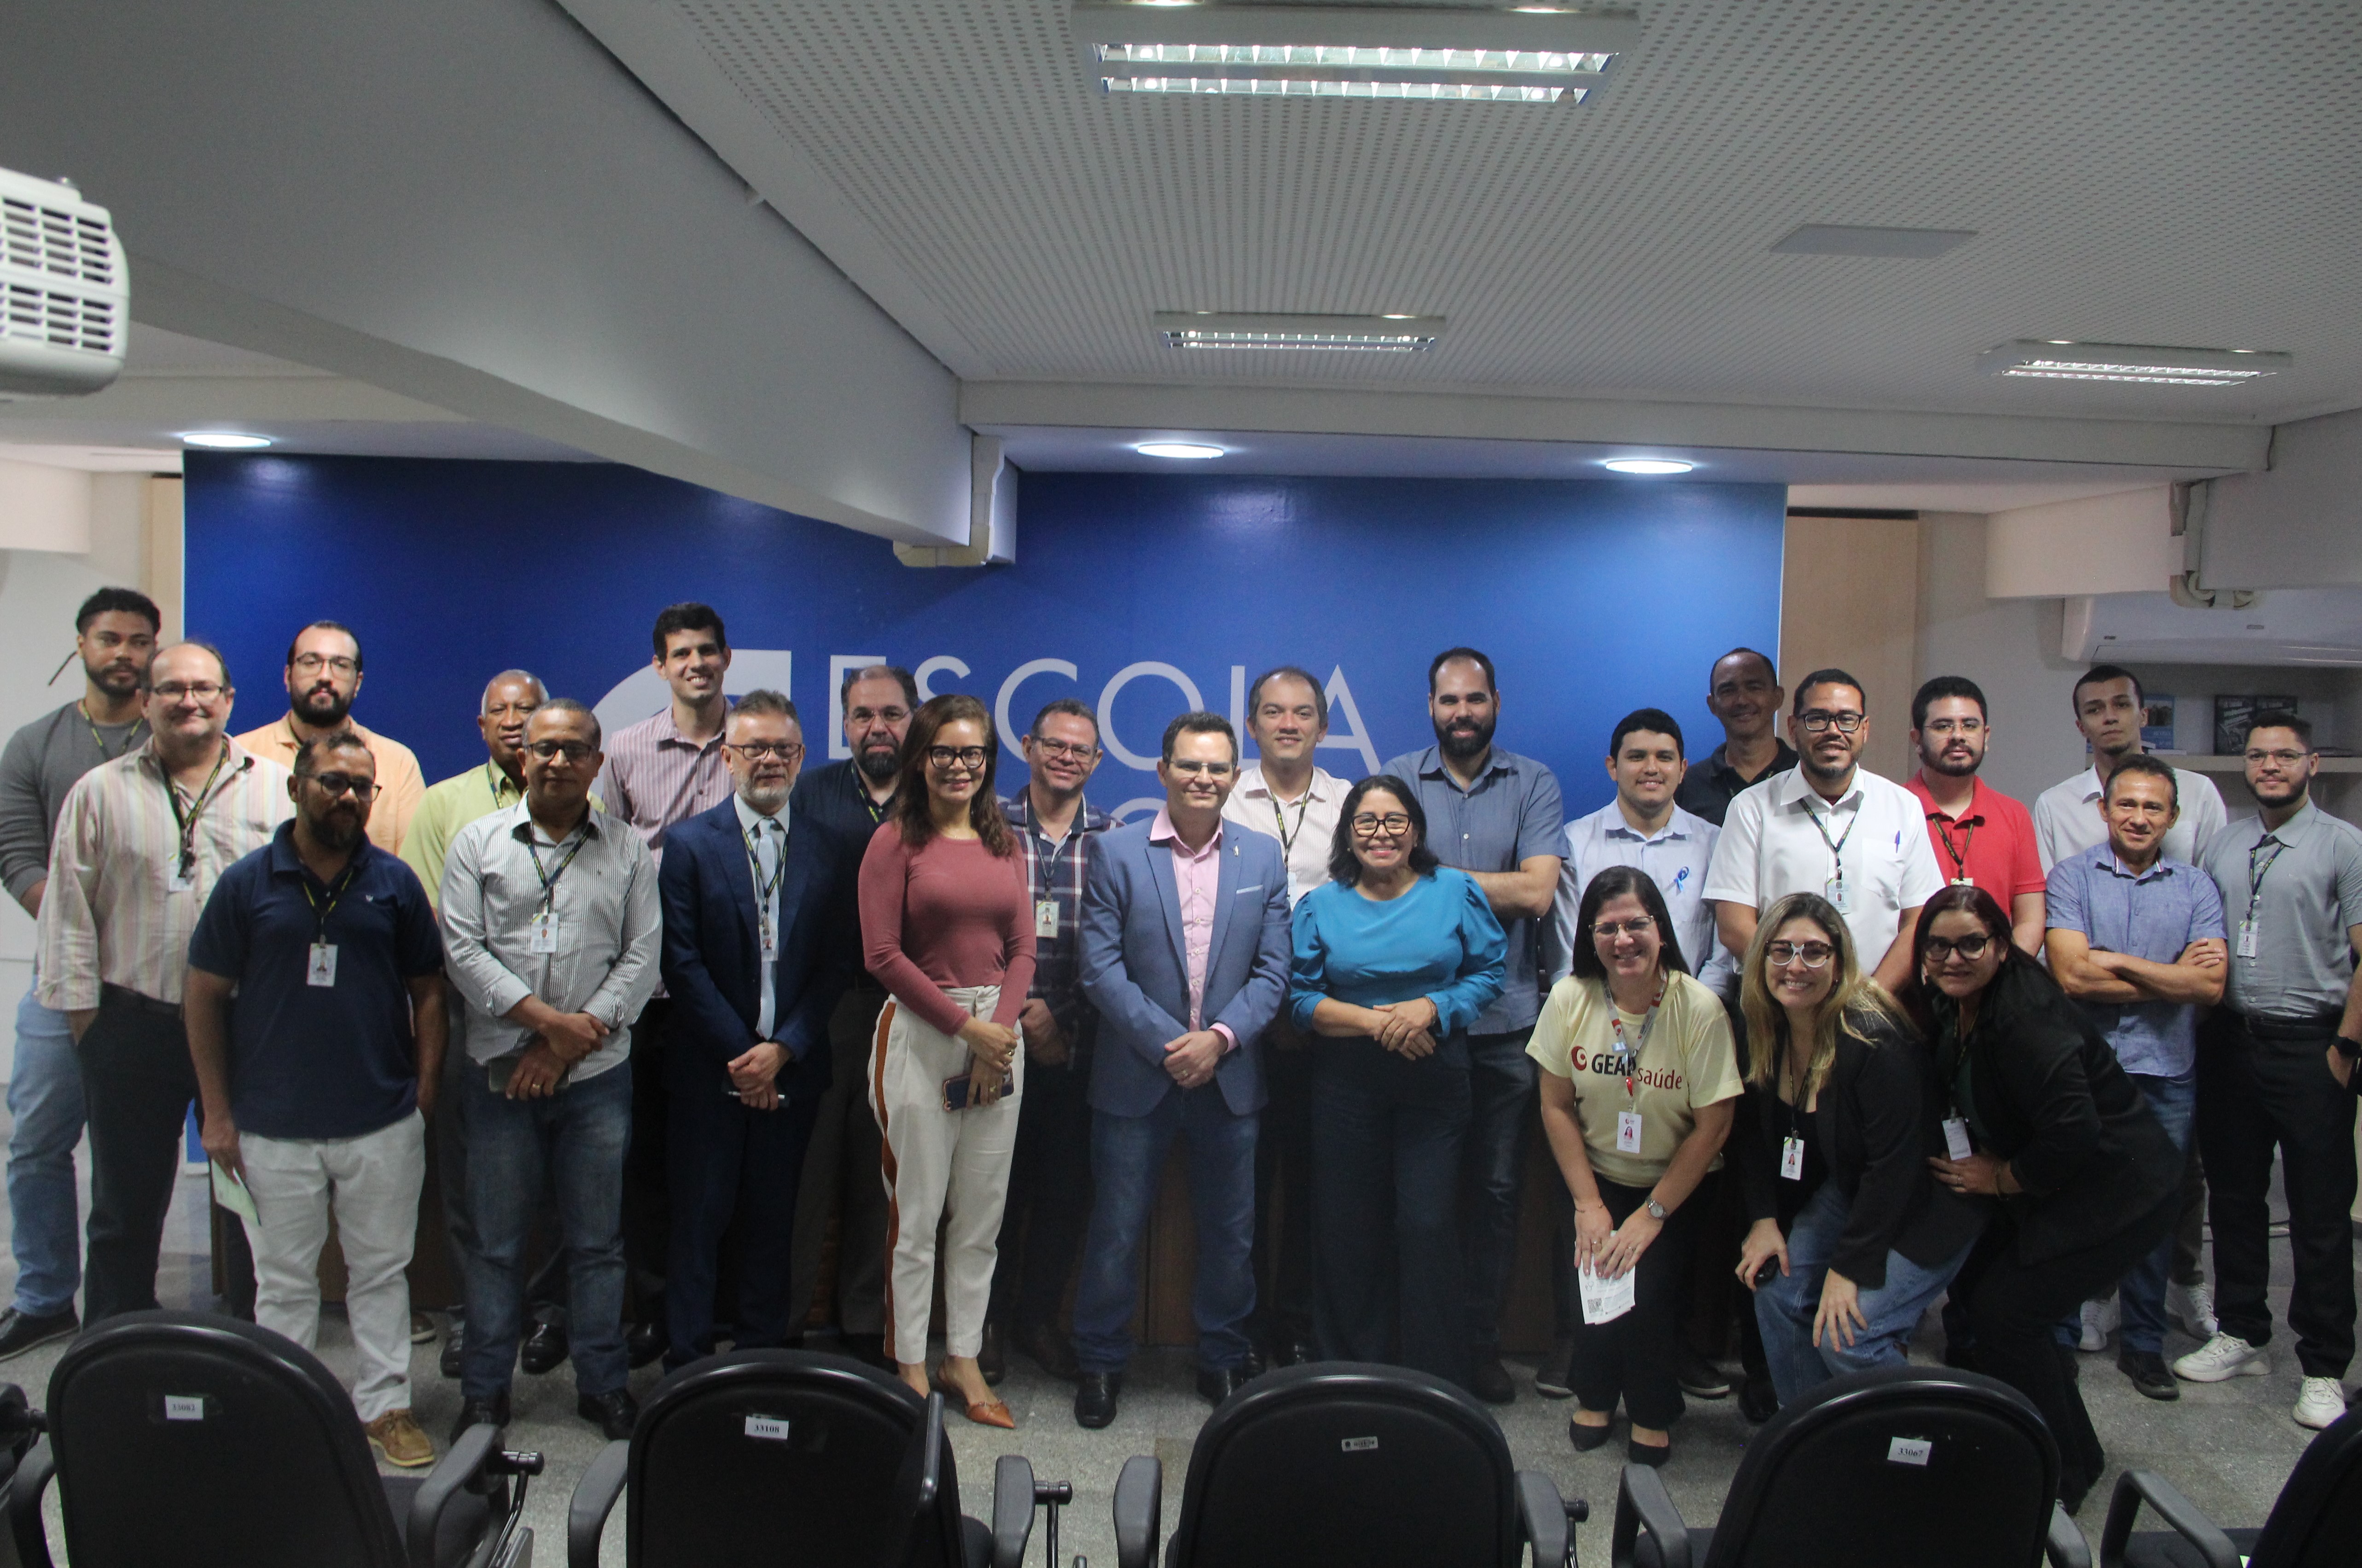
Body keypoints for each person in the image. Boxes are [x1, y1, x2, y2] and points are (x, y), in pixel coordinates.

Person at [184, 732, 446, 1468]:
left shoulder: (393, 883)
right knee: (285, 1281)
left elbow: (429, 993)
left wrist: (423, 1092)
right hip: (271, 1124)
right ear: (299, 785)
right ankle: (284, 1408)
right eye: (334, 782)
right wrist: (216, 1110)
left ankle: (386, 1406)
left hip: (380, 1120)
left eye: (363, 787)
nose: (350, 797)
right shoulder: (246, 883)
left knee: (381, 1272)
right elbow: (202, 995)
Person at [1905, 885, 2181, 1511]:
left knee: (2009, 1312)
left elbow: (2073, 1131)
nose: (1953, 957)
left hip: (2120, 1188)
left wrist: (1999, 1178)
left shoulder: (2027, 1018)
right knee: (1984, 1302)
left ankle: (2062, 1474)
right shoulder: (1950, 1000)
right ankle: (2057, 1445)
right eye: (1938, 945)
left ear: (2001, 946)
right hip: (2058, 1180)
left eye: (1971, 943)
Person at [38, 641, 291, 1325]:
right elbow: (67, 914)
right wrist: (88, 1026)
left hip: (245, 1028)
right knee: (125, 1205)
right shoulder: (99, 791)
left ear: (229, 700)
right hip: (132, 1023)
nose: (190, 700)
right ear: (146, 702)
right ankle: (113, 1348)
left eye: (205, 688)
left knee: (250, 1200)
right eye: (172, 688)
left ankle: (249, 1346)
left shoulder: (279, 787)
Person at [440, 699, 660, 1443]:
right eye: (545, 749)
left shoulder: (628, 849)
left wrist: (569, 1044)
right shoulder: (478, 842)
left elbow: (641, 958)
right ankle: (484, 1391)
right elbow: (463, 953)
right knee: (497, 1243)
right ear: (521, 758)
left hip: (599, 1076)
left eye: (575, 749)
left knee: (599, 1244)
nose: (559, 761)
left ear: (599, 762)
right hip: (499, 1075)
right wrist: (546, 1028)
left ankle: (601, 1385)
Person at [1071, 712, 1291, 1427]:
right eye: (1190, 766)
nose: (1204, 779)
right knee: (1116, 1229)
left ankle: (1222, 1355)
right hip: (1136, 1077)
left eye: (1218, 768)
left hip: (1229, 1080)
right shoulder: (1116, 851)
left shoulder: (1261, 857)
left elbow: (1274, 969)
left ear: (1235, 775)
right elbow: (1099, 969)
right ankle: (1100, 1362)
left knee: (1231, 1233)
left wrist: (1219, 1039)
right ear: (1161, 770)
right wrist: (1175, 1044)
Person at [1383, 647, 1563, 1405]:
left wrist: (1434, 883)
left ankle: (1480, 1345)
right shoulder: (1396, 776)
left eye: (1476, 700)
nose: (1463, 712)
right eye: (1449, 701)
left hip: (1506, 1027)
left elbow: (1539, 893)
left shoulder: (1533, 782)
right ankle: (1414, 1340)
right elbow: (1379, 885)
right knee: (1418, 1196)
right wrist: (1482, 888)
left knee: (1492, 1196)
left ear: (1496, 702)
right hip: (1415, 1025)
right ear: (1430, 705)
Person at [1543, 708, 1738, 1407]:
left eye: (1663, 755)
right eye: (1634, 755)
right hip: (1599, 1032)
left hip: (1688, 1029)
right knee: (1591, 1202)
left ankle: (1674, 1352)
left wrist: (1681, 1010)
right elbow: (1574, 945)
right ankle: (1590, 1353)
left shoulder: (1718, 841)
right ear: (1611, 766)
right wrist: (1618, 1003)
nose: (1649, 767)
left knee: (1686, 1216)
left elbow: (1721, 945)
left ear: (1683, 767)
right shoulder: (1575, 840)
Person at [1288, 775, 1506, 1388]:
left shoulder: (1456, 891)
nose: (1380, 833)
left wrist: (1432, 1008)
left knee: (1427, 1224)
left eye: (1393, 821)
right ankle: (1350, 1372)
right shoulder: (1320, 905)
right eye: (1366, 822)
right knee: (1346, 1227)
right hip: (1345, 1083)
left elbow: (1489, 973)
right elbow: (1302, 999)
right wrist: (1377, 1021)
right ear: (1347, 833)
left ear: (1415, 831)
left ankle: (1434, 1378)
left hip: (1434, 1076)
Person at [657, 691, 853, 1369]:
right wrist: (744, 1056)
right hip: (709, 1071)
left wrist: (783, 1050)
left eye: (783, 748)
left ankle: (759, 1363)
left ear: (801, 757)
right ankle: (686, 1364)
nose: (768, 760)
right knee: (699, 1223)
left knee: (774, 1223)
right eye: (754, 748)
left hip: (793, 1070)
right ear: (726, 756)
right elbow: (679, 964)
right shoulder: (686, 844)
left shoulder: (831, 848)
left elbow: (836, 964)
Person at [2034, 665, 2228, 1346]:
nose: (2139, 816)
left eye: (2152, 809)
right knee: (2074, 1192)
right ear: (2103, 811)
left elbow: (2207, 984)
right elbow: (2072, 977)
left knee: (2160, 1201)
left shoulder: (2197, 881)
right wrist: (2161, 974)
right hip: (2084, 1059)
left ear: (2171, 815)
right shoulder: (2069, 869)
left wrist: (2114, 960)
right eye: (2126, 806)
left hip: (2167, 1061)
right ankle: (2066, 1321)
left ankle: (2146, 1338)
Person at [858, 692, 1034, 1427]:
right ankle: (908, 1361)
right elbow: (882, 955)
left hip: (998, 1035)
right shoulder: (894, 840)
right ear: (919, 758)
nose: (960, 766)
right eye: (944, 752)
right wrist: (968, 1028)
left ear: (989, 763)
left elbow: (1025, 948)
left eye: (973, 754)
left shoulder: (1005, 840)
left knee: (980, 1215)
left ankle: (961, 1355)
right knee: (918, 1211)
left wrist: (999, 1031)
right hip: (926, 1033)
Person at [1734, 893, 1984, 1406]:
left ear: (1840, 962)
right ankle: (1811, 1438)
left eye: (1814, 952)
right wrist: (1763, 1220)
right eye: (1781, 951)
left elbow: (1896, 1169)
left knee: (1847, 1336)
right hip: (1857, 1184)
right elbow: (1748, 1137)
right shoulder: (1765, 1027)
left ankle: (1920, 1443)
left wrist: (1849, 1270)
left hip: (1929, 1200)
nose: (1795, 967)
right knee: (1779, 1294)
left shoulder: (1872, 1038)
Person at [2186, 714, 2362, 1430]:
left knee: (2319, 1211)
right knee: (2233, 1196)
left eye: (2283, 755)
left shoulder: (2342, 844)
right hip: (2231, 1040)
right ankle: (2242, 1331)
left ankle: (2323, 1365)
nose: (2268, 766)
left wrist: (2345, 1049)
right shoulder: (2226, 842)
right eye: (2256, 755)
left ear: (2311, 763)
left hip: (2312, 1043)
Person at [1530, 866, 1740, 1466]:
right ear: (1589, 936)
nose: (1622, 940)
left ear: (1661, 929)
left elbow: (1714, 1125)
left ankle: (1652, 1408)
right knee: (1590, 1274)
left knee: (1646, 1292)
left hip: (1675, 1180)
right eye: (1607, 928)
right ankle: (1594, 1395)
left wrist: (1652, 1214)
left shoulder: (1697, 1006)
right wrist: (1587, 1203)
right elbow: (1553, 1104)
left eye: (1635, 924)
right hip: (1593, 1171)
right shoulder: (1571, 996)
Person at [0, 587, 157, 1357]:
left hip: (156, 981)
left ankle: (132, 1297)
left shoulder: (174, 740)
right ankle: (44, 1296)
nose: (124, 653)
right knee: (36, 1138)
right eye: (109, 639)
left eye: (138, 641)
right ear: (82, 645)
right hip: (60, 982)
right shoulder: (36, 744)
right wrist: (75, 932)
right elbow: (17, 854)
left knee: (141, 1151)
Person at [401, 669, 561, 1379]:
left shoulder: (580, 794)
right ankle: (474, 1311)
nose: (514, 719)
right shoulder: (445, 804)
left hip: (565, 1023)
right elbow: (435, 920)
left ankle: (547, 1309)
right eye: (499, 708)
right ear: (480, 724)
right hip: (472, 1012)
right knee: (472, 1175)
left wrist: (552, 1019)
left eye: (527, 707)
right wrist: (510, 999)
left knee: (559, 1168)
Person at [601, 602, 739, 1370]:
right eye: (681, 653)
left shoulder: (753, 742)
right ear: (660, 665)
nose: (696, 663)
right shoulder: (624, 751)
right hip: (652, 996)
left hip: (731, 992)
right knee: (651, 1166)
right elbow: (612, 867)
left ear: (727, 658)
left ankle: (715, 1311)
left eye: (708, 651)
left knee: (722, 1165)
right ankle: (657, 1309)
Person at [787, 662, 915, 1367]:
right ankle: (789, 1316)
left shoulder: (933, 796)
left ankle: (867, 1322)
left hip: (907, 1007)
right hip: (823, 1006)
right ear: (844, 724)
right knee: (808, 1169)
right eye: (863, 714)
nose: (877, 727)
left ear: (914, 721)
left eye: (891, 714)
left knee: (880, 1172)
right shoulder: (812, 792)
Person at [1220, 665, 1346, 1371]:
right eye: (1273, 711)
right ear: (1252, 724)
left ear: (1323, 727)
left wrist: (1303, 1004)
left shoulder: (1352, 802)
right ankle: (1240, 1327)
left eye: (1302, 713)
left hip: (1321, 1024)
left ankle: (1296, 1320)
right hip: (1238, 1023)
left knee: (1309, 1185)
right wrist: (1258, 1010)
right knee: (1241, 1185)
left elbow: (1363, 908)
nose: (1288, 723)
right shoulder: (1222, 795)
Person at [985, 698, 1114, 1384]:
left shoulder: (1117, 838)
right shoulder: (985, 827)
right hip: (994, 1043)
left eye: (1081, 750)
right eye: (1054, 745)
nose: (1067, 757)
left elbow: (1121, 949)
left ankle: (1038, 1319)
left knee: (1066, 1195)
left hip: (1078, 1049)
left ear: (1096, 761)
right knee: (992, 1195)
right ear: (1029, 747)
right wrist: (1022, 1015)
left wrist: (1059, 1022)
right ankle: (988, 1324)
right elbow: (967, 931)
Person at [1706, 668, 1943, 994]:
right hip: (1779, 1008)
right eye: (1817, 719)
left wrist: (1869, 1000)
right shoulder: (1752, 809)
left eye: (1847, 719)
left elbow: (1919, 921)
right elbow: (1734, 926)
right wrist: (1796, 985)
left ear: (1865, 729)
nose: (1833, 731)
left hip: (1876, 1008)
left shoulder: (1903, 807)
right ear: (1792, 728)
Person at [233, 620, 426, 854]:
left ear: (358, 683)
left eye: (341, 665)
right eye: (311, 662)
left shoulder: (398, 764)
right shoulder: (242, 756)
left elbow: (410, 875)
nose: (325, 676)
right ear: (287, 677)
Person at [2032, 665, 2227, 871]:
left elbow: (2213, 882)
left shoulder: (2197, 791)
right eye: (2094, 710)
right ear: (2081, 727)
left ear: (2144, 716)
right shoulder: (2054, 806)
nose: (2110, 717)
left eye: (2122, 705)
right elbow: (2046, 894)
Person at [1904, 676, 2046, 954]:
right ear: (1917, 739)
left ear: (1986, 736)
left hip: (1996, 985)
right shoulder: (1892, 809)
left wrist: (2001, 978)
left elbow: (2030, 919)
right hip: (1911, 986)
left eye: (1969, 725)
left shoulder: (2014, 815)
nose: (1958, 735)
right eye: (1943, 726)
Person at [1674, 649, 1798, 826]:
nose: (1742, 700)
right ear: (1712, 705)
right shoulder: (1687, 785)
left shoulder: (1805, 774)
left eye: (1754, 688)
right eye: (1728, 691)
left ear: (1778, 698)